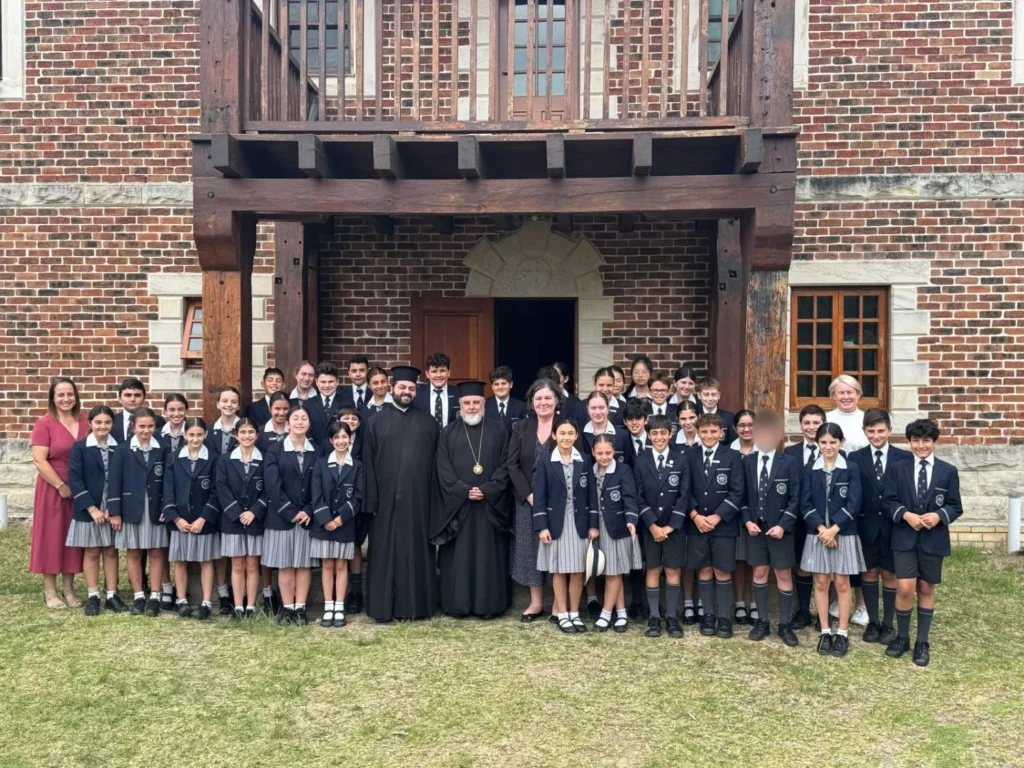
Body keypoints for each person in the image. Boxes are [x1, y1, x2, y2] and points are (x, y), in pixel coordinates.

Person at [884, 419, 962, 667]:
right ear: (909, 442)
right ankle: (903, 637)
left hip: (933, 540)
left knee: (926, 588)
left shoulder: (947, 471)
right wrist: (905, 515)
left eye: (926, 440)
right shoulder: (897, 468)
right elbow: (888, 501)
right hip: (904, 538)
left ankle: (922, 642)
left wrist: (939, 515)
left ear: (934, 442)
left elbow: (955, 506)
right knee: (905, 588)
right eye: (916, 441)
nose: (921, 445)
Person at [365, 365, 440, 621]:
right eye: (402, 387)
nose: (406, 391)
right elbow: (367, 463)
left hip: (419, 503)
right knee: (385, 554)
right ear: (391, 388)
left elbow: (436, 466)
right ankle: (383, 609)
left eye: (411, 388)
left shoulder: (428, 423)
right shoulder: (375, 422)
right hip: (384, 505)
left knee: (416, 553)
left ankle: (418, 608)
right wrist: (372, 502)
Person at [433, 381, 513, 619]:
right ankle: (458, 605)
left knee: (488, 556)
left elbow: (506, 465)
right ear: (459, 405)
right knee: (459, 558)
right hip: (459, 508)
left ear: (484, 404)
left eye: (475, 402)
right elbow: (442, 468)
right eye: (467, 403)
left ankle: (489, 606)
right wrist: (462, 490)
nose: (471, 407)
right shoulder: (448, 432)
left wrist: (487, 489)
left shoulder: (499, 430)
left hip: (490, 507)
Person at [800, 422, 864, 658]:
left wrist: (833, 529)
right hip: (817, 534)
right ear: (818, 443)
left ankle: (843, 632)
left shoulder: (851, 468)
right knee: (821, 582)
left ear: (841, 443)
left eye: (833, 442)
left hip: (843, 533)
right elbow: (804, 503)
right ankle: (825, 630)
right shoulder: (809, 469)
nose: (828, 447)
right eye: (824, 442)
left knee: (842, 583)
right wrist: (822, 529)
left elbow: (854, 503)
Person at [850, 408, 911, 645]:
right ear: (864, 431)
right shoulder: (856, 458)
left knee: (889, 574)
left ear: (890, 431)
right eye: (871, 431)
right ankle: (872, 622)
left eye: (881, 431)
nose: (876, 436)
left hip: (893, 526)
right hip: (866, 526)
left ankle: (888, 623)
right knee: (869, 572)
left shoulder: (903, 458)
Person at [740, 410, 801, 647]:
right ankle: (762, 621)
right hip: (756, 529)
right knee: (759, 573)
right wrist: (747, 521)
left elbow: (795, 499)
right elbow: (741, 496)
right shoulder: (746, 462)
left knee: (784, 574)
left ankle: (784, 624)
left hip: (780, 531)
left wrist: (783, 525)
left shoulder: (789, 463)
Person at [508, 379, 566, 621]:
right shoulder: (521, 428)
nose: (543, 402)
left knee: (556, 549)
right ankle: (536, 603)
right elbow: (512, 465)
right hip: (527, 501)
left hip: (558, 502)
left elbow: (577, 459)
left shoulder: (566, 426)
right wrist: (529, 495)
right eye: (538, 398)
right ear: (532, 402)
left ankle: (557, 605)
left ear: (556, 401)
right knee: (531, 551)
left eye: (548, 398)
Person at [30, 377, 89, 609]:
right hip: (53, 488)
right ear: (53, 398)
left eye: (70, 394)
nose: (66, 399)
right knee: (52, 537)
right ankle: (50, 592)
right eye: (61, 395)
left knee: (72, 538)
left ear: (76, 396)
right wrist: (59, 485)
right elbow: (39, 460)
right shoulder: (45, 423)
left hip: (80, 489)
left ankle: (69, 589)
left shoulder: (85, 421)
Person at [534, 417, 596, 633]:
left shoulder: (585, 460)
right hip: (555, 524)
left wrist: (593, 524)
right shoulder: (544, 461)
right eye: (562, 433)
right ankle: (561, 613)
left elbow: (592, 495)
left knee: (579, 571)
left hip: (579, 523)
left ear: (576, 436)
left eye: (570, 433)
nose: (566, 437)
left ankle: (574, 613)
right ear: (554, 435)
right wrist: (542, 526)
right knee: (559, 571)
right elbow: (539, 496)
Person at [686, 412, 745, 639]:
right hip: (697, 524)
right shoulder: (688, 457)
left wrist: (718, 516)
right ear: (698, 433)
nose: (709, 435)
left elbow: (737, 491)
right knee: (704, 569)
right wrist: (695, 515)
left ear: (721, 433)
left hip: (723, 525)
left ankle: (724, 618)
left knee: (722, 569)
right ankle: (708, 615)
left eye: (713, 431)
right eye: (704, 431)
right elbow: (685, 490)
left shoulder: (732, 457)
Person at [634, 413, 691, 639]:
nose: (659, 437)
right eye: (654, 433)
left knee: (673, 570)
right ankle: (654, 617)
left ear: (670, 434)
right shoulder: (641, 461)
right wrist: (652, 525)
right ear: (648, 435)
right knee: (653, 570)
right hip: (651, 529)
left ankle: (671, 617)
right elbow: (638, 497)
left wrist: (669, 527)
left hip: (673, 528)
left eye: (663, 433)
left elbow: (684, 496)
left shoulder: (680, 460)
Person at [108, 406, 168, 617]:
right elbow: (114, 482)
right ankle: (138, 596)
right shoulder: (123, 450)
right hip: (131, 507)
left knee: (157, 551)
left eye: (150, 426)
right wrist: (114, 511)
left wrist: (167, 507)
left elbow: (168, 482)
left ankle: (154, 596)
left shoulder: (163, 448)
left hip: (155, 507)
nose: (146, 430)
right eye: (141, 426)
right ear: (133, 427)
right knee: (133, 551)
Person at [263, 406, 320, 626]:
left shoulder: (317, 451)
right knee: (285, 564)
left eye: (304, 418)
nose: (299, 421)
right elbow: (272, 484)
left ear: (308, 424)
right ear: (287, 423)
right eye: (295, 418)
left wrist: (307, 510)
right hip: (281, 518)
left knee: (303, 564)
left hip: (307, 518)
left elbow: (319, 485)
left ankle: (300, 608)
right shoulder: (274, 451)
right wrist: (290, 511)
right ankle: (287, 608)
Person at [66, 405, 124, 616]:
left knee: (110, 550)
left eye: (107, 422)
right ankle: (93, 595)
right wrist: (92, 508)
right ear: (89, 424)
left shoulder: (120, 448)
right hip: (88, 509)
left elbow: (123, 480)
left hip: (112, 509)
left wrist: (113, 508)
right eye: (98, 422)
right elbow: (74, 479)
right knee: (91, 551)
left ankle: (111, 594)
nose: (103, 426)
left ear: (112, 424)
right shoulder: (80, 448)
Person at [163, 417, 221, 621]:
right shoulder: (173, 458)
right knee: (180, 561)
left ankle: (206, 602)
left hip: (203, 520)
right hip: (180, 520)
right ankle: (181, 600)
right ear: (184, 435)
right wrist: (176, 518)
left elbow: (216, 492)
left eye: (199, 435)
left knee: (205, 561)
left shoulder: (214, 458)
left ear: (205, 435)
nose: (195, 439)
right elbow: (167, 490)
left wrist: (204, 518)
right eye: (191, 435)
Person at [311, 421, 364, 628]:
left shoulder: (357, 465)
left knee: (341, 565)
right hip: (323, 524)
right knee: (327, 564)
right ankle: (328, 606)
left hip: (345, 524)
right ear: (331, 441)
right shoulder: (321, 463)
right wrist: (326, 519)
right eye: (337, 438)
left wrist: (341, 517)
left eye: (345, 437)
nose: (341, 441)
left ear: (350, 439)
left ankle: (340, 606)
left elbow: (358, 496)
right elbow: (316, 495)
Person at [588, 435, 642, 632]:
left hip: (618, 527)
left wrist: (631, 520)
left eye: (608, 453)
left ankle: (605, 614)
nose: (604, 457)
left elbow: (630, 497)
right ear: (593, 452)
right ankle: (621, 613)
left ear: (614, 452)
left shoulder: (623, 470)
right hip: (597, 527)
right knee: (612, 570)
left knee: (614, 572)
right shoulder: (590, 472)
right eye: (600, 453)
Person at [215, 418, 267, 620]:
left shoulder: (264, 459)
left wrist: (254, 511)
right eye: (243, 432)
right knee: (237, 564)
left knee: (253, 564)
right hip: (233, 519)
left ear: (257, 435)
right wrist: (237, 512)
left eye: (251, 432)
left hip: (255, 519)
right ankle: (238, 606)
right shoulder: (225, 460)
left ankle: (251, 606)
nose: (247, 436)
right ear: (236, 435)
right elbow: (221, 487)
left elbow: (269, 490)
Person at [783, 403, 826, 630]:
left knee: (824, 567)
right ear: (800, 425)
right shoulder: (789, 453)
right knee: (801, 564)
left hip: (824, 521)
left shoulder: (833, 450)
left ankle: (823, 613)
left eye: (816, 423)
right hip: (798, 519)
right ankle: (802, 611)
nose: (811, 427)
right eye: (807, 423)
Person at [730, 408, 757, 625]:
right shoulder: (728, 452)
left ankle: (756, 602)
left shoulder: (764, 451)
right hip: (734, 514)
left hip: (758, 514)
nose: (746, 429)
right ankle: (740, 603)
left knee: (756, 560)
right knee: (739, 560)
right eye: (742, 425)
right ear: (735, 429)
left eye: (750, 425)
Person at [581, 391, 630, 465]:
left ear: (608, 407)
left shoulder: (623, 435)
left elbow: (628, 465)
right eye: (593, 408)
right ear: (587, 409)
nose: (597, 412)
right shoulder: (580, 436)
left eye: (601, 407)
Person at [112, 377, 164, 443]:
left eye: (137, 395)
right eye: (128, 395)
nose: (132, 399)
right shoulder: (111, 421)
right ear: (119, 398)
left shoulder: (158, 421)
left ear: (144, 398)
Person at [415, 353, 459, 428]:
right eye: (434, 371)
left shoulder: (459, 393)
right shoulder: (417, 394)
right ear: (427, 374)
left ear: (449, 373)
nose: (438, 375)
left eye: (442, 370)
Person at [306, 362, 343, 446]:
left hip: (339, 451)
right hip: (314, 452)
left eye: (330, 381)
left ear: (337, 381)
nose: (327, 385)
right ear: (316, 382)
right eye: (323, 382)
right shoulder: (308, 404)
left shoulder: (346, 402)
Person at [485, 365, 526, 433]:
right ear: (492, 386)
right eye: (496, 384)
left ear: (511, 384)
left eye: (503, 383)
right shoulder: (484, 405)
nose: (500, 387)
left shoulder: (521, 407)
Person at [696, 376, 736, 444]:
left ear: (719, 395)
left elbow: (732, 443)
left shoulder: (729, 417)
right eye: (706, 395)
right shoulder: (694, 416)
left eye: (714, 395)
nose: (710, 398)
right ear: (699, 395)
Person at [205, 386, 241, 458]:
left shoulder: (246, 430)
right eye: (225, 401)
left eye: (234, 402)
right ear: (218, 404)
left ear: (238, 406)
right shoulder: (208, 431)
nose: (229, 404)